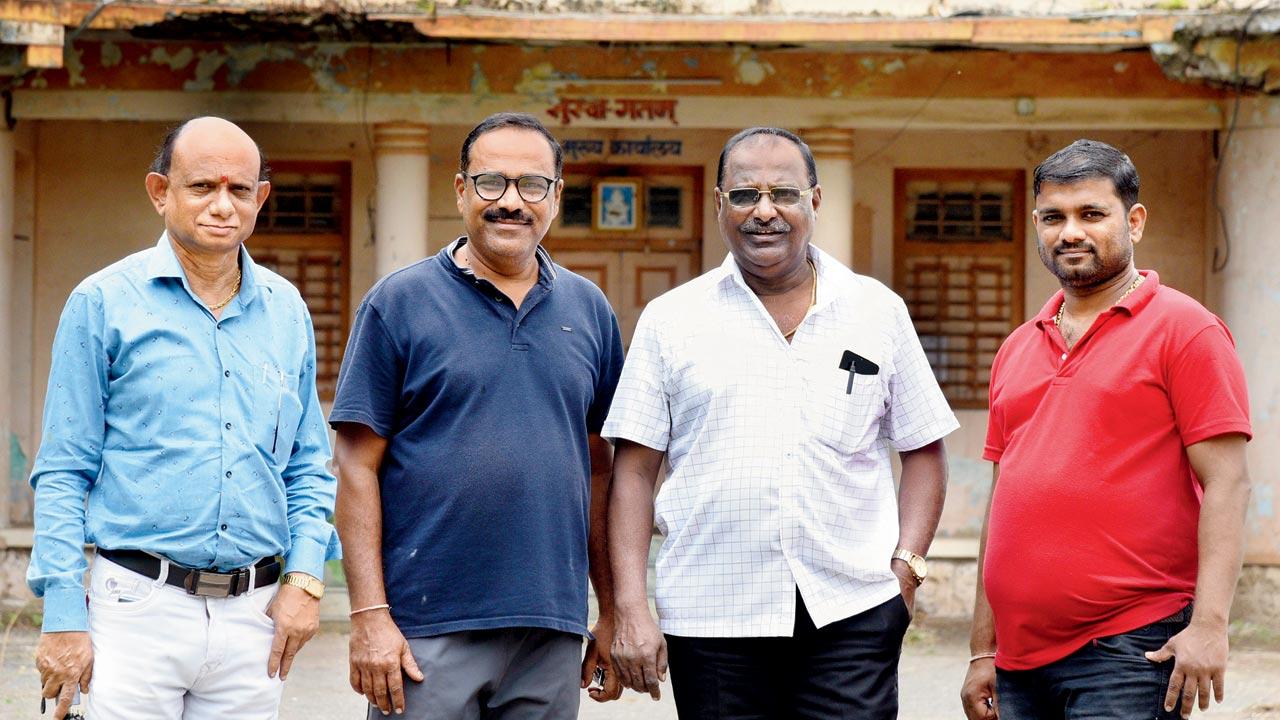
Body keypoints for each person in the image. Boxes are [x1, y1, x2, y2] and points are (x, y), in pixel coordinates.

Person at [605, 126, 958, 719]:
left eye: (784, 194)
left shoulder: (877, 311)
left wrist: (907, 571)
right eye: (744, 195)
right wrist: (632, 606)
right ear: (720, 205)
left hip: (851, 616)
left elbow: (924, 449)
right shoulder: (671, 320)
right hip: (713, 615)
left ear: (814, 201)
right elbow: (635, 472)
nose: (763, 212)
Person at [28, 116, 339, 720]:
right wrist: (63, 614)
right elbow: (64, 469)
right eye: (202, 187)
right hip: (135, 610)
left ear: (260, 199)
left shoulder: (286, 310)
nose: (223, 205)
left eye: (240, 190)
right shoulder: (104, 303)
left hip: (256, 616)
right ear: (159, 192)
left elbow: (307, 464)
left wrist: (304, 579)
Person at [329, 111, 624, 719]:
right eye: (492, 182)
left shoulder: (589, 310)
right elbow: (354, 468)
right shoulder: (399, 303)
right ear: (461, 190)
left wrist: (612, 612)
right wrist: (369, 616)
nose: (511, 202)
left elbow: (601, 472)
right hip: (425, 629)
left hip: (551, 627)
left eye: (532, 185)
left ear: (556, 197)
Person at [960, 139, 1253, 720]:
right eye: (1053, 217)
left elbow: (1228, 485)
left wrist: (1210, 627)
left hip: (1129, 651)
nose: (1070, 232)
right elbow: (1004, 500)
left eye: (1091, 214)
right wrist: (981, 649)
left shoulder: (1186, 330)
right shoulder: (1019, 345)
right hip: (1018, 665)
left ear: (1134, 221)